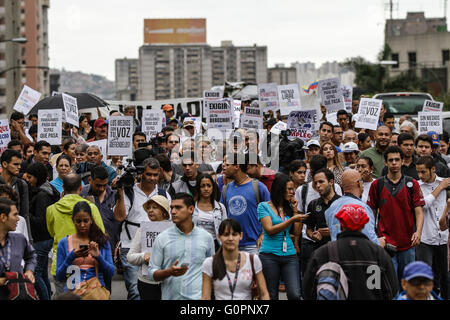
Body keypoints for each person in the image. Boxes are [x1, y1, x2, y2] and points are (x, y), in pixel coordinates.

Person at [304, 204, 398, 300]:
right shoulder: (379, 253)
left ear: (340, 225)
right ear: (364, 225)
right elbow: (392, 290)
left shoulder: (323, 253)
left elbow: (308, 290)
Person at [113, 158, 170, 300]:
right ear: (141, 174)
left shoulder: (163, 194)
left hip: (156, 248)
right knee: (135, 291)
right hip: (131, 244)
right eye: (149, 174)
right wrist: (120, 191)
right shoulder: (129, 191)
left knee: (157, 289)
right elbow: (119, 217)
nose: (152, 178)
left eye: (155, 175)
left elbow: (169, 220)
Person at [368, 146, 425, 280]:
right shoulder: (377, 185)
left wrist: (418, 232)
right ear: (385, 163)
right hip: (386, 243)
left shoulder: (412, 184)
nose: (394, 163)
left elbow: (419, 212)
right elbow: (371, 213)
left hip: (408, 243)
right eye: (391, 160)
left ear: (402, 161)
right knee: (390, 285)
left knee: (409, 283)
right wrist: (374, 236)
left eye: (397, 160)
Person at [46, 173, 105, 297]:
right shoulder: (91, 207)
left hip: (61, 263)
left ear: (63, 187)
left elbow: (51, 232)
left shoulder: (51, 209)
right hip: (86, 264)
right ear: (80, 188)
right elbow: (101, 234)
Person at [148, 193, 215, 300]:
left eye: (178, 207)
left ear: (191, 209)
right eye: (172, 208)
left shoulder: (206, 238)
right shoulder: (162, 238)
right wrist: (168, 272)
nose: (173, 212)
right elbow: (151, 273)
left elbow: (211, 271)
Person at [201, 219, 270, 300]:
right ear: (219, 236)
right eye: (226, 235)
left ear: (241, 236)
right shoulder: (209, 263)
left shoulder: (253, 260)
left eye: (234, 234)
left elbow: (264, 294)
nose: (230, 238)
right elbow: (205, 297)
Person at [55, 201, 115, 294]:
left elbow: (111, 273)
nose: (82, 225)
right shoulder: (64, 243)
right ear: (73, 220)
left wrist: (98, 257)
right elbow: (59, 276)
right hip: (73, 292)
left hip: (95, 292)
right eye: (78, 221)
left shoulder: (101, 241)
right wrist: (71, 257)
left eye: (85, 221)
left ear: (91, 220)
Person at [22, 162, 60, 300]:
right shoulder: (45, 189)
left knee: (35, 274)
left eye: (30, 177)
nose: (28, 179)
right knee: (43, 273)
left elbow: (40, 221)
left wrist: (25, 214)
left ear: (37, 177)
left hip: (42, 239)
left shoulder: (42, 195)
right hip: (45, 238)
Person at [221, 153, 270, 254]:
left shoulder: (258, 187)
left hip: (254, 244)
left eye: (227, 164)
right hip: (232, 244)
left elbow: (270, 213)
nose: (223, 166)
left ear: (237, 166)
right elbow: (222, 215)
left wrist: (263, 235)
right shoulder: (226, 189)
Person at [415, 156, 450, 299]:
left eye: (423, 172)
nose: (420, 175)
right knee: (426, 275)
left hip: (444, 237)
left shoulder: (446, 182)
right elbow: (424, 204)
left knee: (445, 276)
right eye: (418, 172)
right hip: (426, 238)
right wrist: (440, 188)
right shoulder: (417, 186)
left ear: (433, 169)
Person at [127, 195, 171, 300]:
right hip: (146, 282)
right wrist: (143, 256)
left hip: (169, 282)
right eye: (149, 208)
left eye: (155, 207)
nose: (150, 210)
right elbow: (130, 257)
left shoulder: (173, 231)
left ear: (164, 211)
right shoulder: (142, 230)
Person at [325, 169, 381, 245]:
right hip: (358, 254)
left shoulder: (332, 207)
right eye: (362, 181)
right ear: (359, 183)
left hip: (336, 253)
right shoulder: (363, 208)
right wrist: (380, 243)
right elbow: (370, 241)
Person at [80, 166, 121, 262]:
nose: (102, 188)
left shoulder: (114, 195)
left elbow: (120, 220)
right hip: (87, 249)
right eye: (98, 185)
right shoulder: (82, 193)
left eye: (105, 185)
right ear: (90, 180)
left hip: (109, 248)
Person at [0, 198, 37, 300]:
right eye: (15, 215)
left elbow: (31, 256)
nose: (18, 219)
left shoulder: (19, 239)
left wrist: (29, 270)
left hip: (16, 294)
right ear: (3, 217)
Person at [304, 169, 340, 250]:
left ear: (331, 182)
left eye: (321, 182)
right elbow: (309, 229)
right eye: (315, 183)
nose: (318, 185)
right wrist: (313, 236)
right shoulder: (313, 204)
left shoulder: (342, 202)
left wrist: (333, 231)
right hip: (320, 249)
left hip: (340, 248)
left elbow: (350, 228)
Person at [0, 149, 30, 241]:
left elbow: (25, 213)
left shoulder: (21, 184)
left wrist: (29, 239)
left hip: (16, 229)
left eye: (20, 164)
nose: (19, 167)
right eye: (15, 164)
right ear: (5, 164)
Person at [193, 173, 227, 251]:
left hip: (216, 245)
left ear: (213, 187)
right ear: (198, 188)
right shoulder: (191, 207)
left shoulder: (221, 207)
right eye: (202, 186)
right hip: (197, 245)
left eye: (209, 185)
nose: (206, 189)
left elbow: (225, 229)